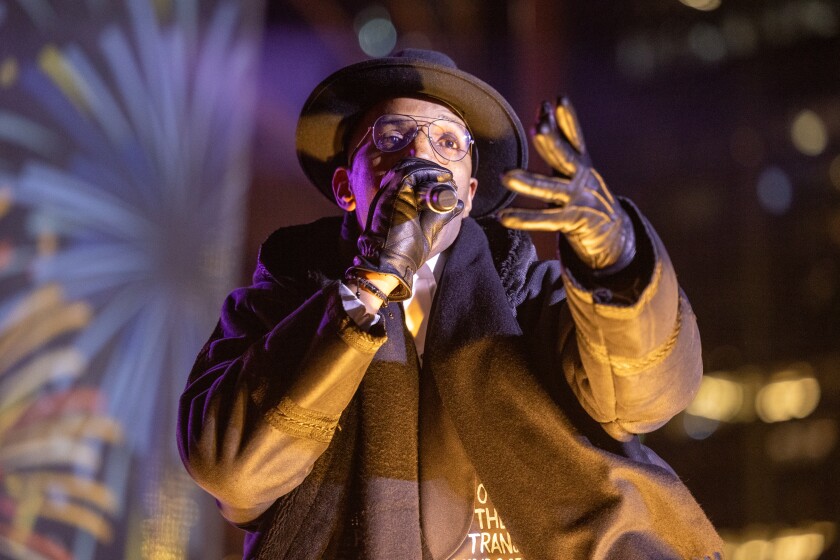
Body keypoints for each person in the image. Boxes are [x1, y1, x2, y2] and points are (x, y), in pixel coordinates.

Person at [177, 49, 724, 559]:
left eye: (448, 142)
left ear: (467, 190)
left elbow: (648, 398)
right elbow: (232, 473)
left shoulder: (531, 301)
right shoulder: (280, 307)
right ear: (347, 188)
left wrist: (618, 262)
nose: (421, 153)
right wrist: (370, 281)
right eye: (391, 137)